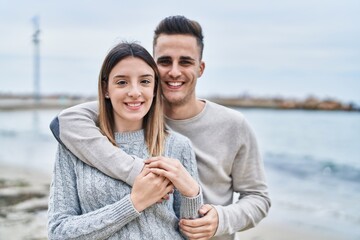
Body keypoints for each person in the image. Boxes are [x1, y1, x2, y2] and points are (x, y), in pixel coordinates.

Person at [50, 16, 271, 240]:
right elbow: (66, 121)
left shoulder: (231, 126)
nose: (174, 72)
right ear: (153, 67)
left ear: (200, 68)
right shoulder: (129, 107)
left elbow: (258, 198)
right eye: (165, 61)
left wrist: (220, 219)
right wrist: (138, 176)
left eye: (185, 62)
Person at [47, 42, 203, 240]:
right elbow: (58, 233)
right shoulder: (74, 147)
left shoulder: (178, 146)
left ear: (155, 87)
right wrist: (133, 203)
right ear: (106, 89)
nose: (135, 92)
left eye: (145, 82)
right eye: (122, 82)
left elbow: (194, 235)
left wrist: (192, 192)